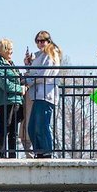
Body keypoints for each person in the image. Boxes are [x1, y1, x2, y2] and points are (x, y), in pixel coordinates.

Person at [24, 31, 61, 159]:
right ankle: (39, 151)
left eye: (43, 40)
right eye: (38, 41)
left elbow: (43, 74)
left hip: (46, 93)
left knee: (42, 125)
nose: (40, 43)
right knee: (32, 126)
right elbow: (34, 72)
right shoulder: (40, 55)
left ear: (48, 41)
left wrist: (28, 81)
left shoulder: (51, 54)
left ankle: (47, 151)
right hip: (38, 94)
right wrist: (28, 65)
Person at [0, 39, 25, 158]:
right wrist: (20, 89)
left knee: (13, 132)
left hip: (16, 101)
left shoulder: (11, 63)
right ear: (3, 49)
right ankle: (2, 155)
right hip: (5, 101)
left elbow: (18, 78)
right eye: (9, 48)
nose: (12, 51)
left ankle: (12, 155)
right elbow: (3, 83)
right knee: (4, 129)